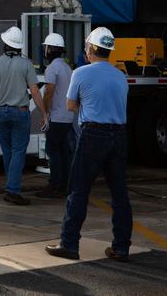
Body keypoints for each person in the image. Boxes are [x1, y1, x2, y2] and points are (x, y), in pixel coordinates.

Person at [47, 26, 132, 262]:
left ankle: (69, 244)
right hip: (118, 135)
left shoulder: (81, 73)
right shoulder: (120, 76)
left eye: (87, 47)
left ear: (92, 49)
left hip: (93, 135)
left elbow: (70, 106)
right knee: (119, 194)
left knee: (78, 191)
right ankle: (121, 247)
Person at [0, 25, 47, 205]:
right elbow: (35, 91)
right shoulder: (26, 64)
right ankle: (12, 190)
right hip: (20, 112)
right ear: (19, 47)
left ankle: (11, 185)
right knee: (19, 151)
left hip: (1, 112)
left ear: (5, 43)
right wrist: (44, 113)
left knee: (7, 152)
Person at [36, 32, 75, 199]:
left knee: (54, 152)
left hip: (56, 117)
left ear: (50, 49)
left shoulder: (52, 68)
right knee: (64, 152)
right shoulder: (67, 67)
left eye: (46, 47)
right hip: (68, 117)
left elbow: (48, 93)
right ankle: (65, 185)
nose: (44, 50)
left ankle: (55, 185)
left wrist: (45, 114)